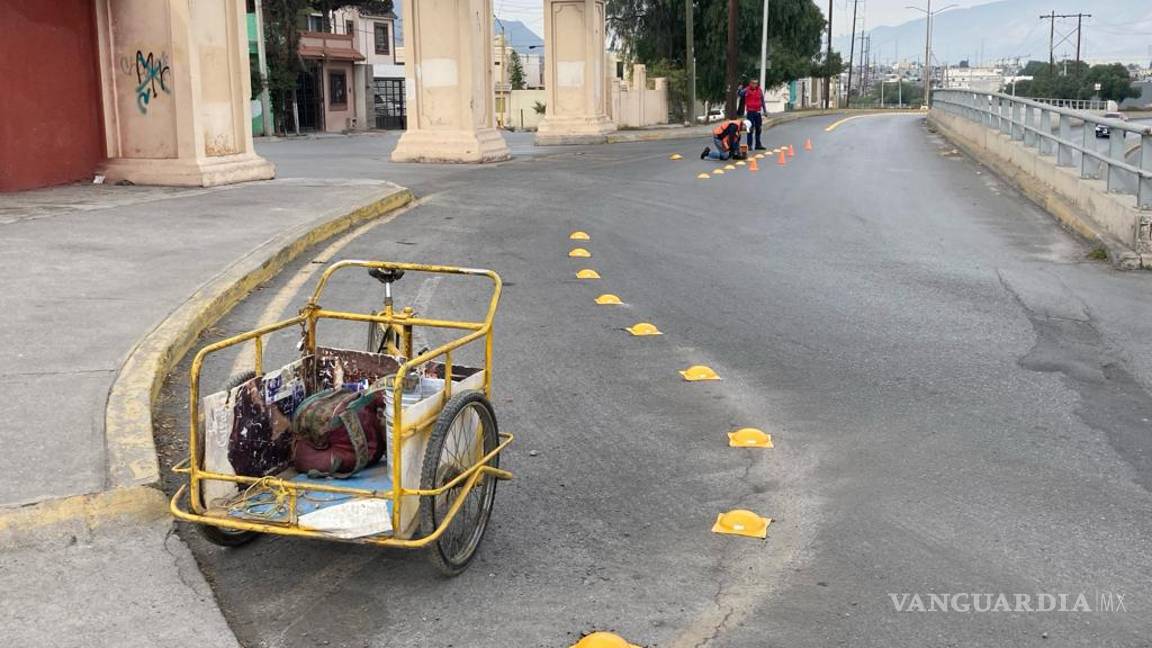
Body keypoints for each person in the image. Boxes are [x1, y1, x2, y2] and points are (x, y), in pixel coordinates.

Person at [739, 79, 767, 150]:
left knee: (758, 129)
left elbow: (762, 101)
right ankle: (749, 145)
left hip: (758, 112)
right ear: (750, 83)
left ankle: (758, 145)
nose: (755, 85)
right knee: (750, 129)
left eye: (756, 83)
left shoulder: (759, 91)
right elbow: (740, 94)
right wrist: (739, 88)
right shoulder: (746, 90)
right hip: (750, 112)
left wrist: (765, 111)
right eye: (753, 83)